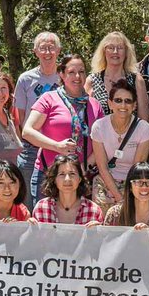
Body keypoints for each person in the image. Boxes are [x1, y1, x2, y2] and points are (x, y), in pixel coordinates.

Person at [22, 54, 103, 207]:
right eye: (72, 72)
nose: (77, 76)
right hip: (48, 175)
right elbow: (27, 131)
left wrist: (84, 167)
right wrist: (57, 146)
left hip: (80, 177)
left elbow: (101, 142)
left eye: (82, 71)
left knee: (77, 225)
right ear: (62, 74)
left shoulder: (95, 105)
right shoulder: (49, 99)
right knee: (45, 225)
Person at [89, 78, 149, 211]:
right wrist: (119, 199)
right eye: (118, 100)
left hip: (133, 183)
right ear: (110, 104)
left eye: (128, 101)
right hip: (105, 181)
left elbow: (137, 170)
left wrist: (126, 199)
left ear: (134, 106)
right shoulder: (99, 127)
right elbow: (102, 167)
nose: (123, 105)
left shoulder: (144, 129)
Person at [15, 32, 62, 183]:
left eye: (51, 48)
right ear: (35, 52)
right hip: (31, 147)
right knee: (29, 196)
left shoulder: (66, 77)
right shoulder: (25, 79)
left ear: (58, 51)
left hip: (59, 146)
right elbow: (19, 117)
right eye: (42, 48)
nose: (47, 52)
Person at [87, 31, 149, 120]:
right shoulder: (92, 81)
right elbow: (85, 116)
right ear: (104, 51)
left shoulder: (136, 80)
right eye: (111, 47)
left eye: (120, 48)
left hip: (131, 133)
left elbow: (144, 120)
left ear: (126, 53)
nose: (115, 51)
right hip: (100, 133)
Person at [32, 155, 104, 226]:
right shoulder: (41, 207)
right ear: (54, 179)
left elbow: (99, 238)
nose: (67, 179)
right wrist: (29, 230)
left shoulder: (94, 210)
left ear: (80, 179)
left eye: (72, 174)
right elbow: (35, 237)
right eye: (62, 174)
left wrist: (98, 233)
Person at [102, 162, 149, 229]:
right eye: (138, 182)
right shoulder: (114, 213)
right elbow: (107, 241)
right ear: (130, 186)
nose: (144, 187)